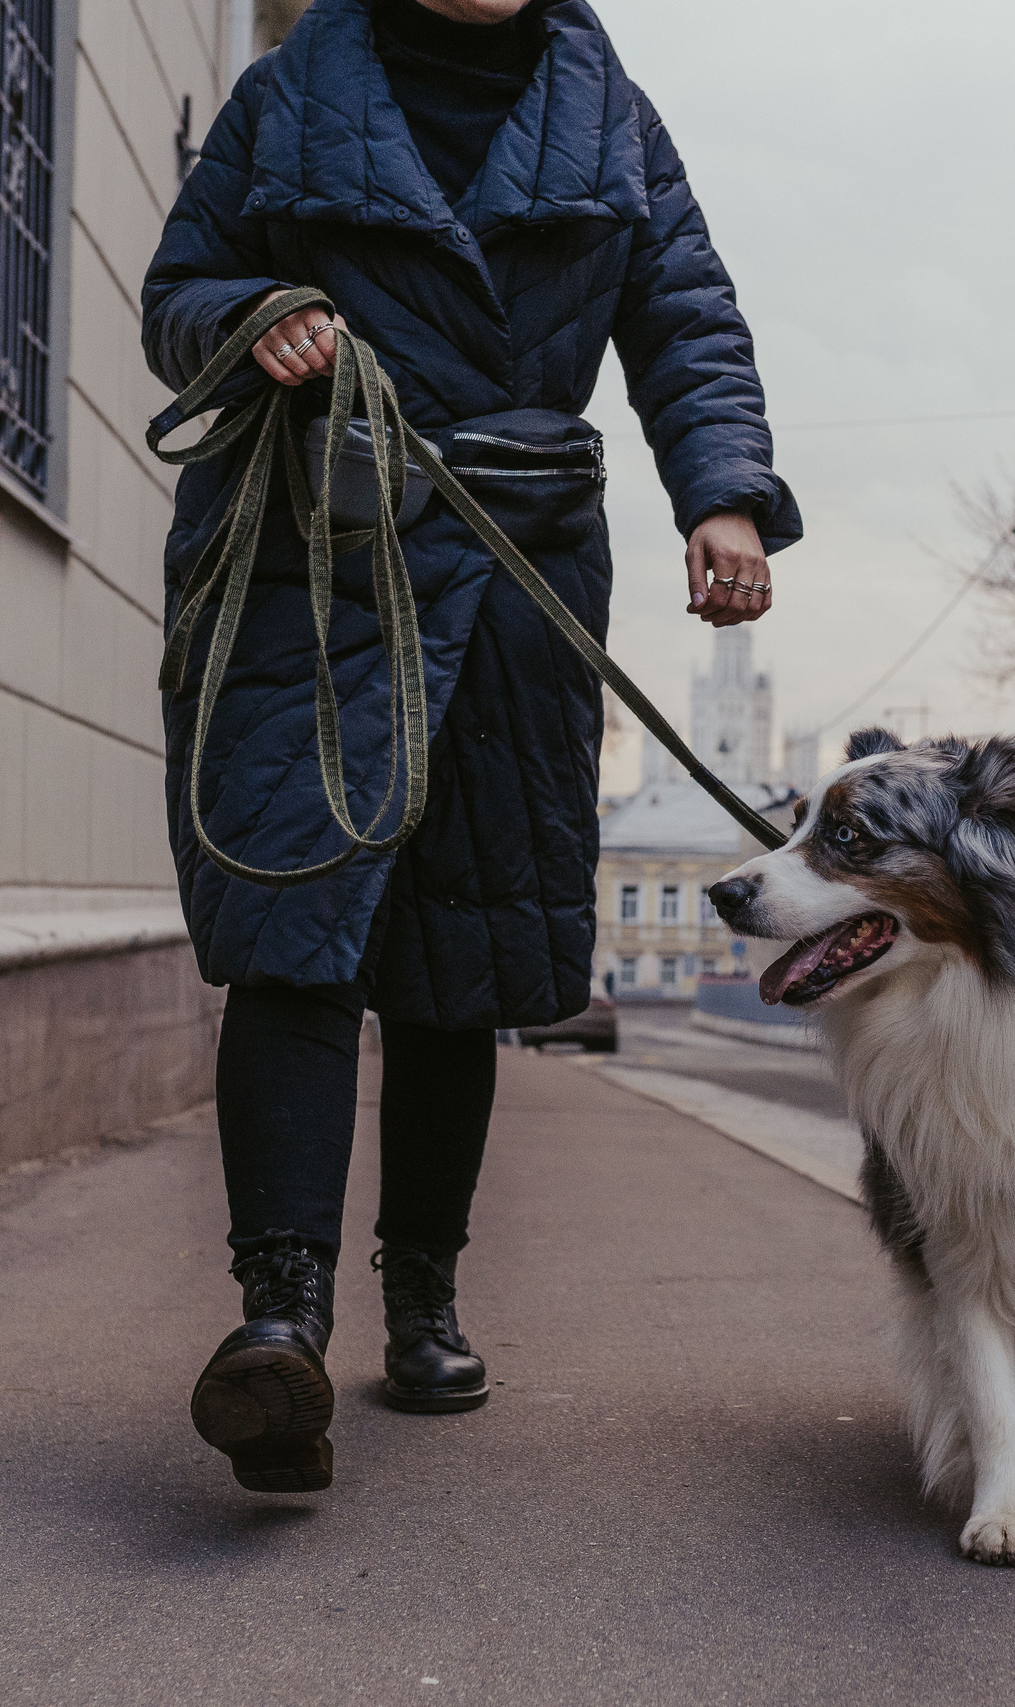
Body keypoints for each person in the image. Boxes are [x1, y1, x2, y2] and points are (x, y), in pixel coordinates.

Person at [142, 0, 798, 1494]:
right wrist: (256, 321)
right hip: (317, 562)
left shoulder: (609, 114)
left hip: (515, 567)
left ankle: (422, 1298)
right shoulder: (290, 92)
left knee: (458, 945)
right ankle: (278, 1324)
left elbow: (687, 316)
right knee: (296, 928)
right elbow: (178, 289)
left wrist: (728, 494)